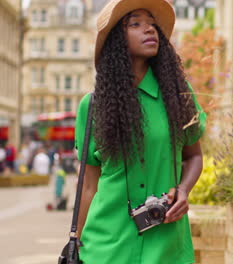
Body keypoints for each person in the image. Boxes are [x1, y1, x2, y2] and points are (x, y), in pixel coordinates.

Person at [74, 0, 206, 263]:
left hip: (167, 244)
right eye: (135, 24)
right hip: (106, 246)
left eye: (152, 24)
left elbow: (193, 155)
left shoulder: (178, 97)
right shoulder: (92, 106)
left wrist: (183, 189)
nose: (150, 30)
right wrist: (75, 242)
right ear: (115, 41)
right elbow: (88, 185)